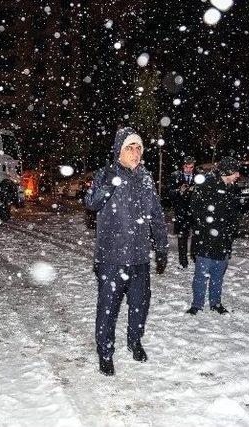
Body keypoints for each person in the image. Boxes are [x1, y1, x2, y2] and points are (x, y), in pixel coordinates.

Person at [84, 127, 169, 376]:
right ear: (119, 151)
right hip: (111, 257)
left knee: (139, 304)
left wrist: (162, 245)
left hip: (140, 256)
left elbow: (156, 214)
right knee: (108, 307)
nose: (135, 152)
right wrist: (108, 184)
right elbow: (91, 203)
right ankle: (106, 352)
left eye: (139, 148)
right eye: (129, 147)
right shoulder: (106, 173)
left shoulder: (145, 177)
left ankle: (135, 340)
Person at [186, 156, 241, 315]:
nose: (238, 175)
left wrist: (230, 230)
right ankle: (197, 304)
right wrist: (208, 225)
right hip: (206, 239)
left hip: (223, 240)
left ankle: (216, 303)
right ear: (228, 171)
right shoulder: (207, 184)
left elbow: (234, 214)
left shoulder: (231, 188)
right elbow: (195, 208)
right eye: (236, 171)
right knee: (201, 275)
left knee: (218, 274)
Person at [168, 156, 196, 268]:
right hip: (181, 212)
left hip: (195, 212)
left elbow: (204, 193)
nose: (188, 170)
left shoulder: (198, 176)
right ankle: (183, 261)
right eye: (186, 167)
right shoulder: (175, 176)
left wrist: (195, 190)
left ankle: (194, 257)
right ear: (182, 166)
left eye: (191, 167)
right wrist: (179, 190)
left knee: (196, 236)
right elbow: (170, 193)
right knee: (182, 237)